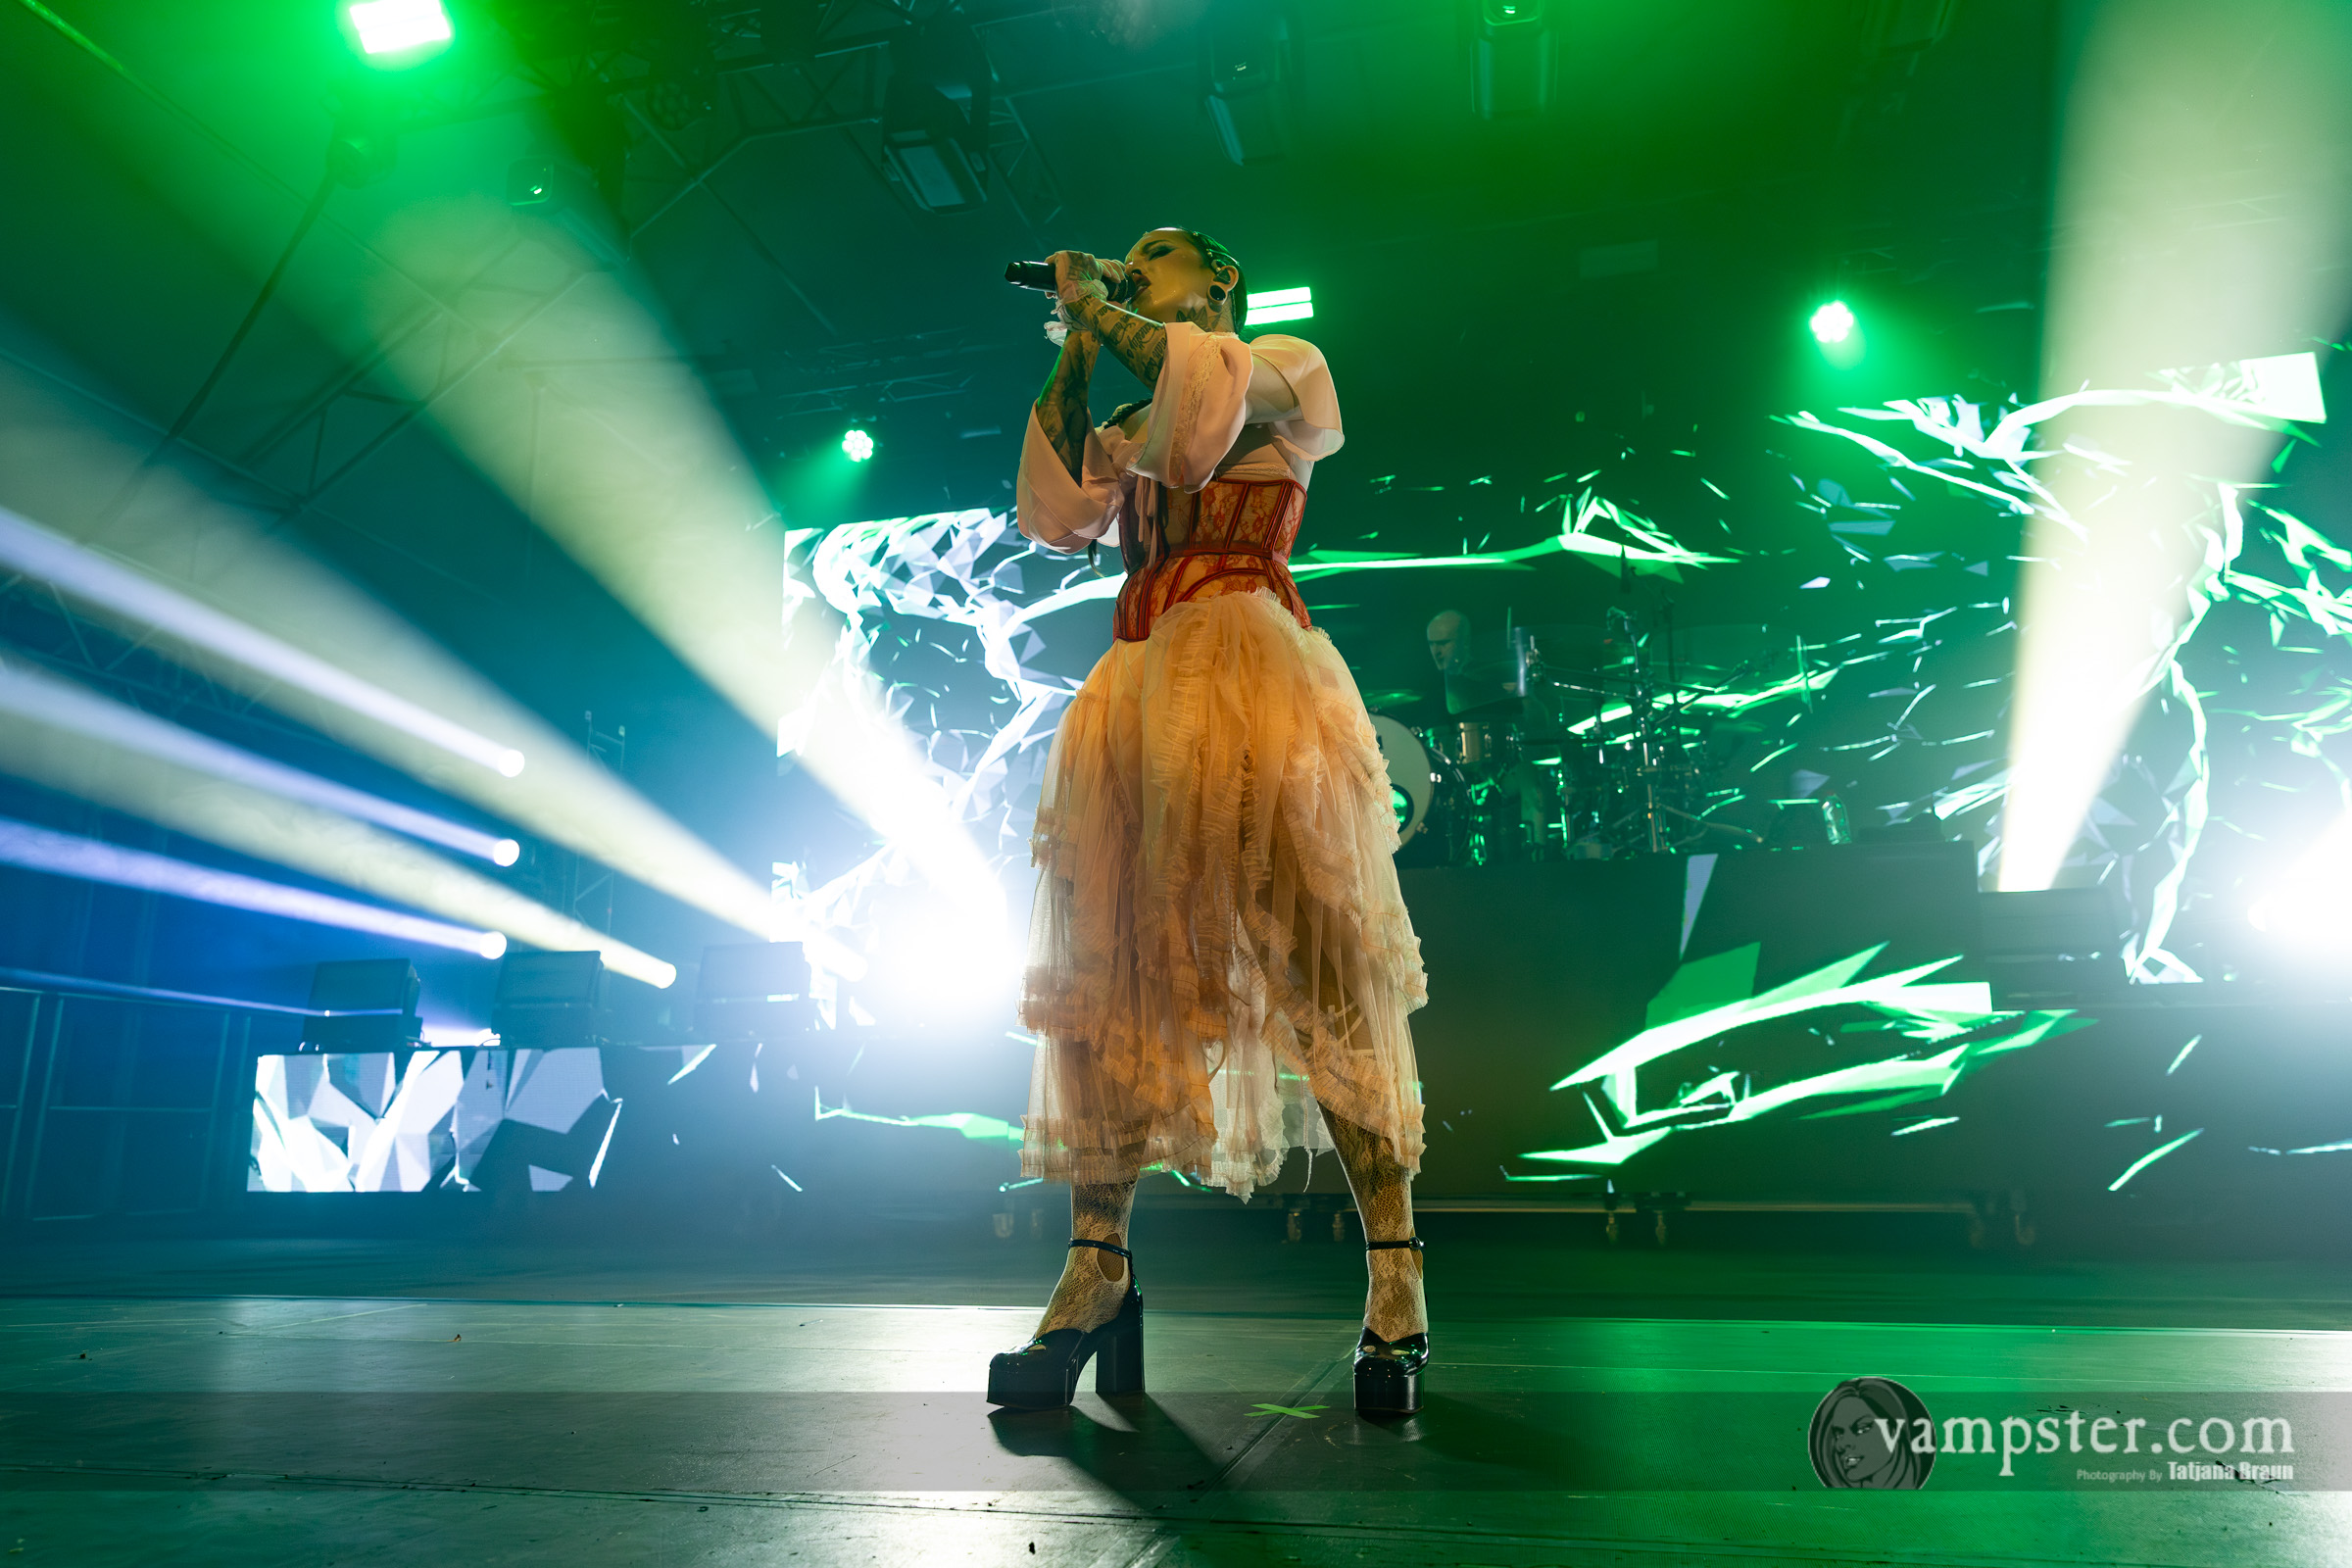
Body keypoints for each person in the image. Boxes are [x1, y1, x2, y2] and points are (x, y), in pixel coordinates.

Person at [992, 228, 1430, 1415]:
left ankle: (1396, 1271)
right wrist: (1077, 340)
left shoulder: (1287, 366)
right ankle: (1096, 1264)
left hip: (1250, 670)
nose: (1140, 264)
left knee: (1320, 963)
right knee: (1109, 976)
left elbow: (1198, 427)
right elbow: (1053, 511)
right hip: (1136, 687)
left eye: (1161, 252)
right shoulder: (1131, 416)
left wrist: (1096, 302)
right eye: (1132, 256)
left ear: (1221, 280)